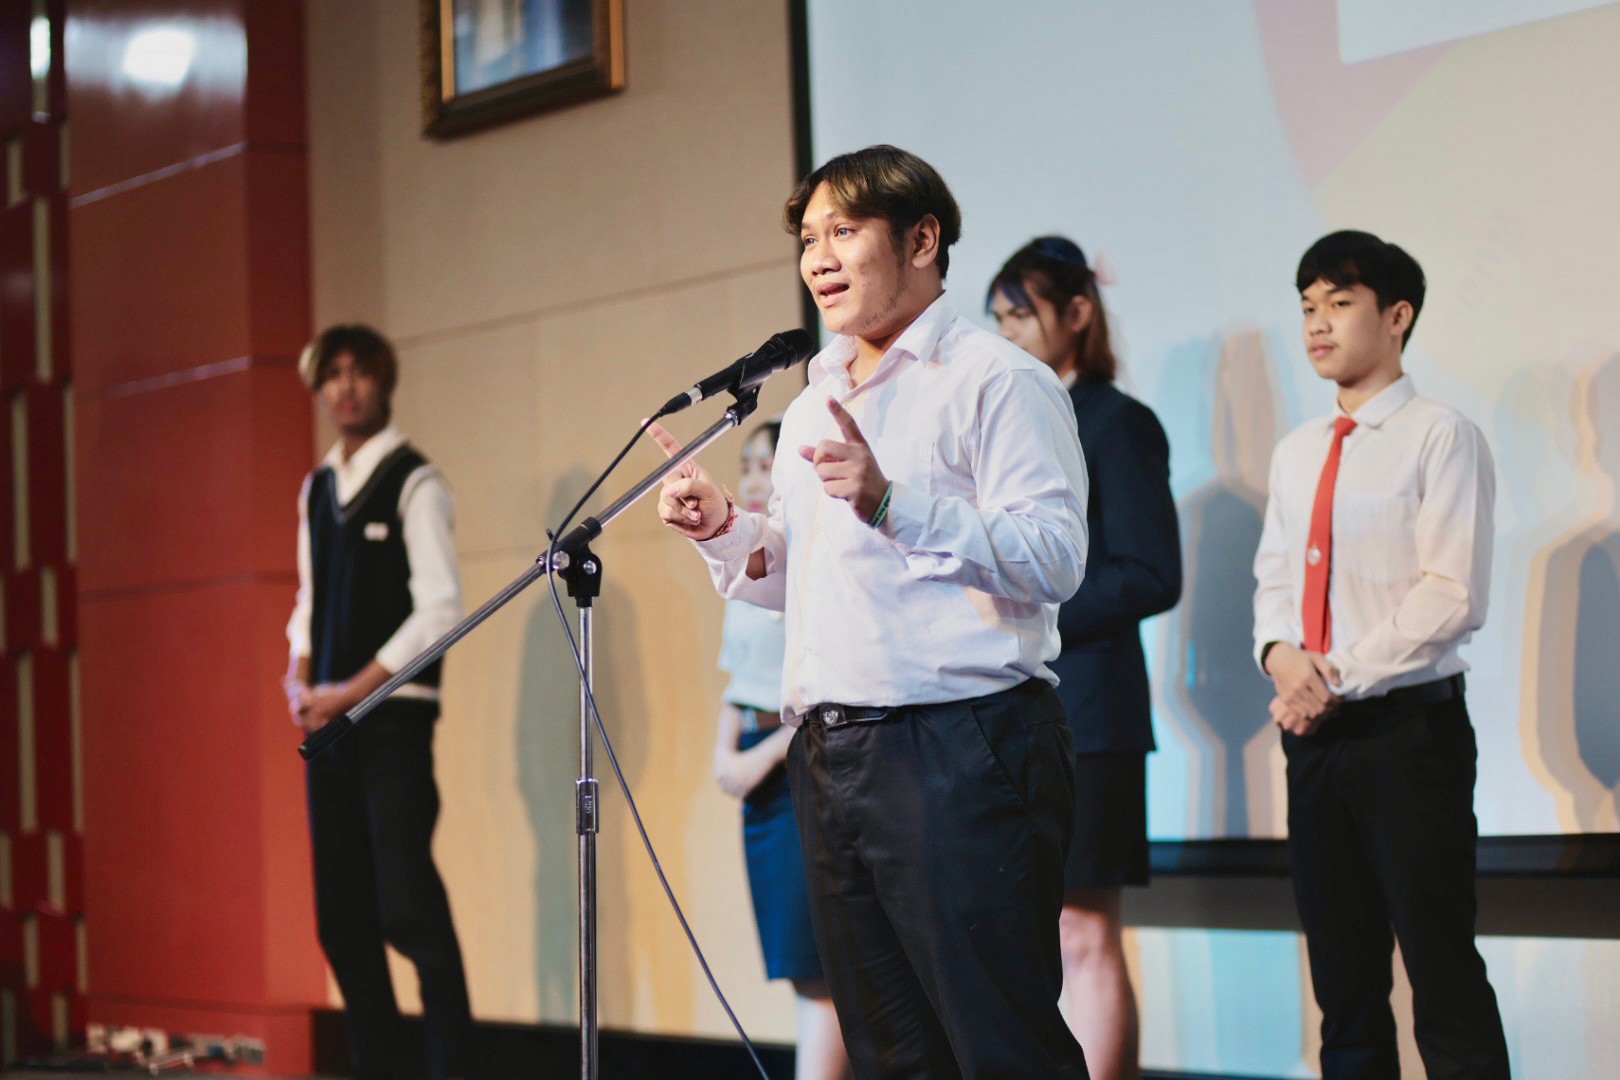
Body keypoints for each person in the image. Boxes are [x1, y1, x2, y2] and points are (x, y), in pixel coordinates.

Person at [648, 145, 1092, 1079]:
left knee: (999, 1045)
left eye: (844, 232)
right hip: (832, 754)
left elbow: (1056, 556)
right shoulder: (816, 402)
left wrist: (895, 503)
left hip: (960, 747)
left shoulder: (997, 380)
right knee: (892, 1053)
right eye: (809, 239)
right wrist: (726, 528)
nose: (819, 259)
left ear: (922, 240)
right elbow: (809, 577)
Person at [1254, 231, 1509, 1079]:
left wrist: (1332, 674)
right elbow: (1274, 580)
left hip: (1409, 738)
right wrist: (1280, 656)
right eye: (1307, 307)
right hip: (1316, 740)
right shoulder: (1297, 450)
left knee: (1441, 970)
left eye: (1339, 303)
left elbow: (1452, 593)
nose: (1317, 324)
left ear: (1397, 316)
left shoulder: (1441, 435)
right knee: (1344, 984)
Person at [988, 237, 1181, 1080]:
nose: (1007, 334)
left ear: (1077, 313)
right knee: (1025, 933)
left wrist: (1035, 600)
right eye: (998, 319)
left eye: (1020, 315)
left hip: (1094, 716)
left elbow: (1150, 573)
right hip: (1010, 710)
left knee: (1084, 929)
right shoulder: (1009, 426)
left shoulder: (1116, 422)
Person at [284, 325, 476, 1080]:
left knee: (407, 909)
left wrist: (349, 691)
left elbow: (440, 611)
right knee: (342, 919)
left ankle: (453, 1066)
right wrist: (299, 677)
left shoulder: (414, 482)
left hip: (392, 724)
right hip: (330, 730)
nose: (345, 386)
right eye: (332, 374)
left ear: (384, 380)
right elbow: (308, 601)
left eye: (359, 371)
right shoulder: (317, 489)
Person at [712, 419, 850, 1080]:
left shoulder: (806, 558)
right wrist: (724, 753)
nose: (752, 478)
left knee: (819, 968)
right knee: (797, 968)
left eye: (767, 465)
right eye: (746, 464)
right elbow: (735, 678)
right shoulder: (745, 562)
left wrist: (763, 755)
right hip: (756, 769)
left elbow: (829, 679)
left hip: (798, 759)